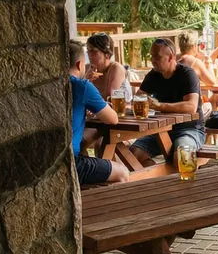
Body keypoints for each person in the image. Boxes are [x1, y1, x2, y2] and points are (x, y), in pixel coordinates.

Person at [131, 38, 206, 165]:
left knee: (183, 155)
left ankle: (188, 178)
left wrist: (159, 106)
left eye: (157, 57)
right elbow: (138, 98)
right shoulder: (154, 75)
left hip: (189, 129)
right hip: (161, 130)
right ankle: (160, 178)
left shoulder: (187, 74)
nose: (152, 60)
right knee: (133, 154)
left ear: (170, 57)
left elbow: (191, 106)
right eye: (151, 56)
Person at [68, 40, 129, 185]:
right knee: (122, 172)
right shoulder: (82, 86)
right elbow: (112, 119)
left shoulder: (49, 85)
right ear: (79, 65)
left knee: (87, 148)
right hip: (69, 162)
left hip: (43, 159)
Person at [177, 30, 218, 114]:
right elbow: (211, 82)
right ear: (194, 46)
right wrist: (208, 62)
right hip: (191, 111)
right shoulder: (195, 62)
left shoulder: (173, 59)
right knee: (210, 105)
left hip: (174, 106)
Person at [86, 32, 132, 102]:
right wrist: (85, 80)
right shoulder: (87, 68)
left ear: (107, 54)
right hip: (97, 108)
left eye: (93, 51)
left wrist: (87, 84)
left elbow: (110, 98)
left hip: (119, 108)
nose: (89, 54)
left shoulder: (116, 68)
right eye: (88, 50)